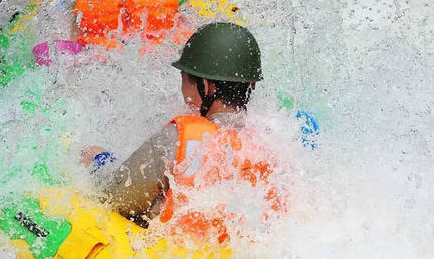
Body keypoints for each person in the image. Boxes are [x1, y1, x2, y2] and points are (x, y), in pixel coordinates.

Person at [82, 22, 285, 244]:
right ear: (251, 85)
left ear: (206, 86)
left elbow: (114, 199)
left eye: (185, 78)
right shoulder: (273, 141)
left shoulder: (177, 138)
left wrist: (100, 161)